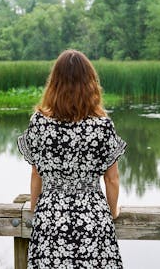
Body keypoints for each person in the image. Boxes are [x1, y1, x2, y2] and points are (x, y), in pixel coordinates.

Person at [17, 49, 127, 268]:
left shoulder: (39, 123)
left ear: (54, 83)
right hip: (93, 220)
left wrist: (37, 210)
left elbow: (36, 173)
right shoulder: (102, 126)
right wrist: (112, 211)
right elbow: (112, 180)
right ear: (90, 83)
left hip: (51, 217)